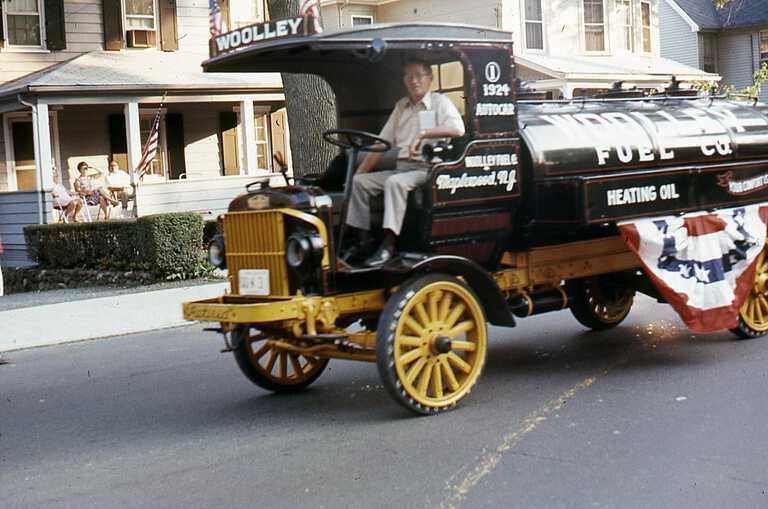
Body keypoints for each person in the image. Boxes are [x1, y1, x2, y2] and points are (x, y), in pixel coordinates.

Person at [345, 58, 465, 267]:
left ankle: (389, 244)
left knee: (395, 183)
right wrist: (359, 172)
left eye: (419, 75)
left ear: (429, 78)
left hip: (427, 170)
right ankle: (363, 240)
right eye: (408, 76)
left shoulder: (439, 102)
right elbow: (381, 144)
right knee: (359, 183)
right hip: (401, 168)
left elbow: (458, 129)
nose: (414, 81)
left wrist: (425, 133)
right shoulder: (401, 106)